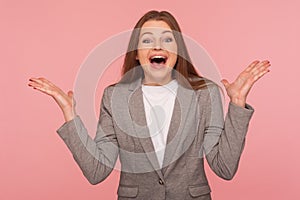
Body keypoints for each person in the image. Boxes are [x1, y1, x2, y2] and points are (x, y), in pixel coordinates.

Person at [28, 10, 270, 200]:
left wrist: (237, 105)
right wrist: (70, 115)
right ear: (136, 52)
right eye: (147, 40)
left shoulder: (204, 94)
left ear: (177, 51)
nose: (158, 46)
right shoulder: (115, 97)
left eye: (167, 39)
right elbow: (96, 171)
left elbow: (224, 168)